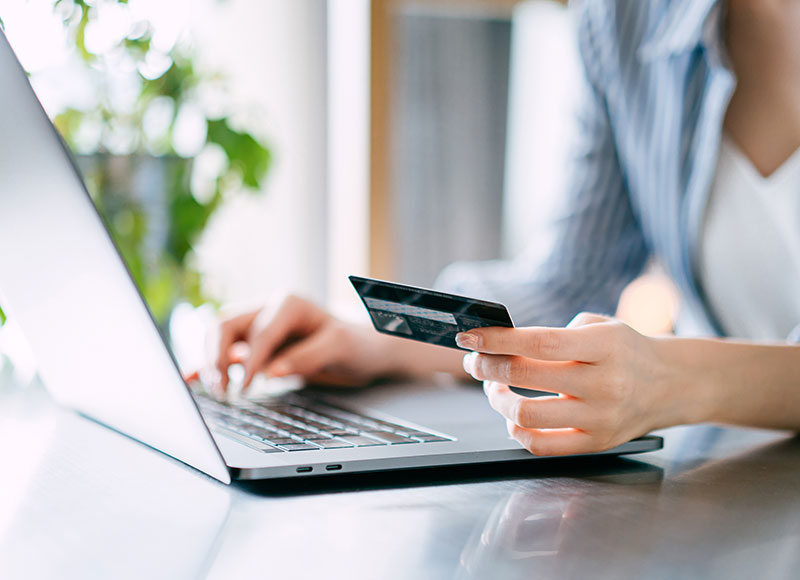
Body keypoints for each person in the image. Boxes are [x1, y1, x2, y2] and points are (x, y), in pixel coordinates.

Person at [206, 0, 800, 456]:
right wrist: (391, 334)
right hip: (737, 484)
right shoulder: (624, 18)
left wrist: (676, 381)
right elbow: (570, 284)